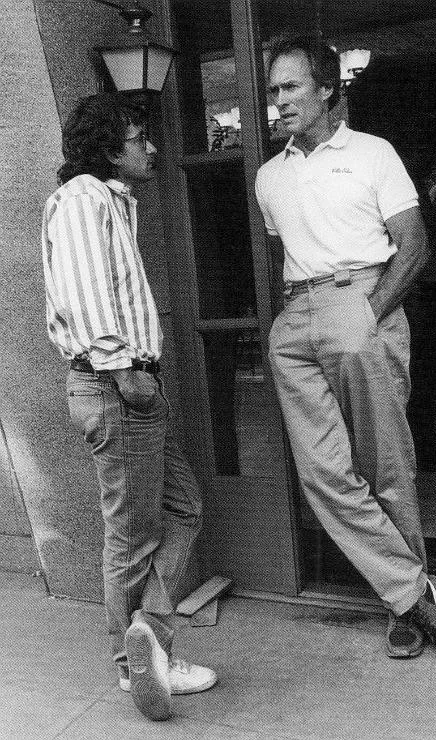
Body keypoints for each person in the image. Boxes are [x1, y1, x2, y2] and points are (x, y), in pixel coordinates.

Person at [255, 33, 436, 661]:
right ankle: (415, 594)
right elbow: (285, 249)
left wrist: (366, 316)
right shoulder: (269, 175)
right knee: (323, 473)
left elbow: (414, 246)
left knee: (385, 466)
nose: (278, 101)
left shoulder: (373, 154)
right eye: (272, 91)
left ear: (325, 90)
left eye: (290, 87)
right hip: (298, 317)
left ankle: (402, 608)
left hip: (362, 298)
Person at [42, 93, 217, 721]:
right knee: (132, 538)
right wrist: (125, 372)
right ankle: (135, 662)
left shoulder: (108, 202)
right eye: (139, 137)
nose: (150, 147)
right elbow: (88, 296)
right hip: (117, 385)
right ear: (110, 145)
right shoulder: (86, 199)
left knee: (183, 506)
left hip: (127, 385)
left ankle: (148, 632)